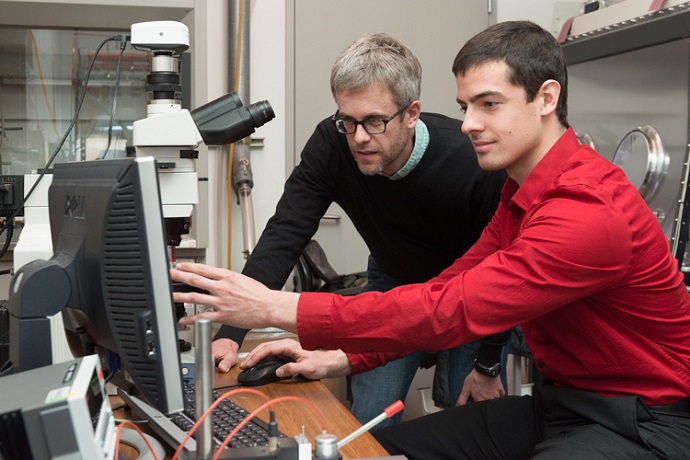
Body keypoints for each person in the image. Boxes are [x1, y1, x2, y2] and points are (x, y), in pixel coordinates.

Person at [172, 20, 690, 459]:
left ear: (546, 98)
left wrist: (279, 309)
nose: (468, 124)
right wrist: (346, 357)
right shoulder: (520, 192)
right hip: (562, 404)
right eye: (466, 105)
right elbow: (450, 283)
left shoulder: (585, 210)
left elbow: (450, 309)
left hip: (643, 419)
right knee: (379, 449)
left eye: (489, 104)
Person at [209, 32, 509, 426]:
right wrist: (231, 331)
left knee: (471, 422)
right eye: (347, 120)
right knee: (369, 422)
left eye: (374, 121)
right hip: (391, 284)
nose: (359, 138)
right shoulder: (332, 145)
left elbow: (504, 272)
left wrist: (487, 366)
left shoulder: (471, 160)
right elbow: (285, 232)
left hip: (470, 293)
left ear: (412, 112)